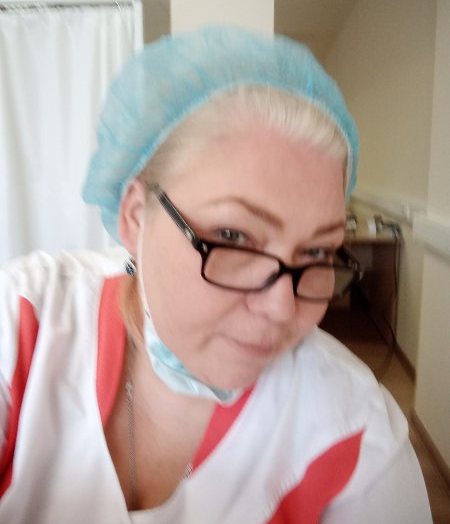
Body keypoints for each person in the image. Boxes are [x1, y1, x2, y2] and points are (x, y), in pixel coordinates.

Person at [0, 26, 431, 523]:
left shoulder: (353, 429)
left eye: (317, 251)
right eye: (232, 236)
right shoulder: (25, 324)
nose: (282, 308)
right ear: (136, 217)